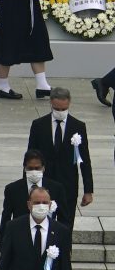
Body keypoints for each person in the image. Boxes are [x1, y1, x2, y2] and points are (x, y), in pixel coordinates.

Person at [27, 86, 93, 230]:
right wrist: (28, 186)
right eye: (57, 109)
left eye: (64, 109)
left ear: (69, 103)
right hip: (44, 185)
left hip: (67, 186)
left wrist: (88, 190)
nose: (60, 112)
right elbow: (30, 158)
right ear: (51, 103)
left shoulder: (78, 126)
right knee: (43, 225)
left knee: (66, 226)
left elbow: (85, 159)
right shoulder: (39, 125)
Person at [0, 148, 67, 249]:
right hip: (20, 239)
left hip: (47, 239)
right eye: (30, 168)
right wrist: (3, 246)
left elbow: (64, 219)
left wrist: (65, 245)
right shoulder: (12, 189)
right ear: (24, 168)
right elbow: (6, 218)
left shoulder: (56, 188)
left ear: (43, 168)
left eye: (37, 168)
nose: (34, 171)